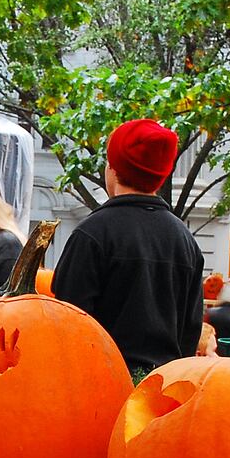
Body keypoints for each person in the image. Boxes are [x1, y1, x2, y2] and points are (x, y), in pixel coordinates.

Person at [50, 120, 205, 373]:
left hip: (102, 382)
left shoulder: (92, 233)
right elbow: (190, 329)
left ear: (112, 168)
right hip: (162, 388)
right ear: (161, 176)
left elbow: (68, 323)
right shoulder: (184, 239)